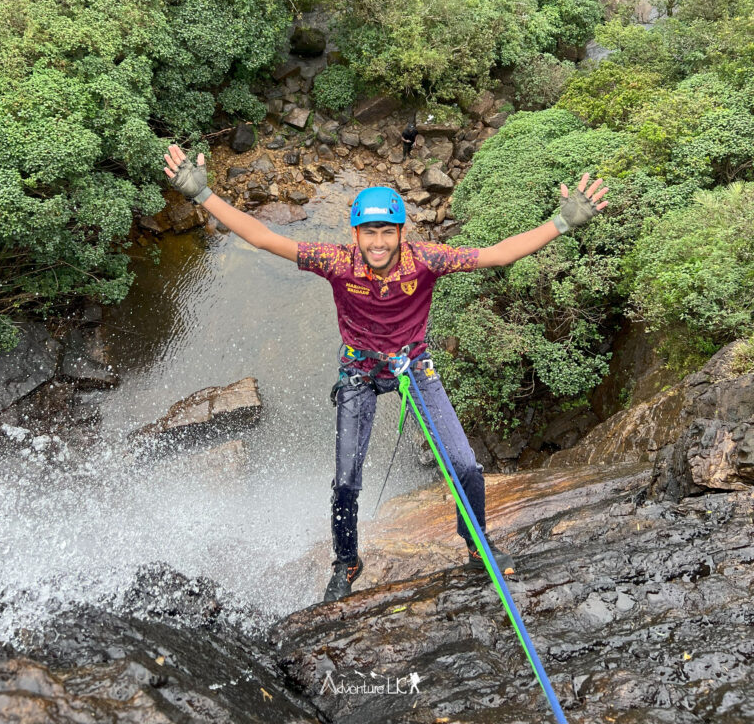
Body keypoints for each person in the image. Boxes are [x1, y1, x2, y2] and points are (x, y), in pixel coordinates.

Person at [163, 144, 608, 603]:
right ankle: (346, 559)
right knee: (346, 482)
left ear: (401, 232)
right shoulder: (336, 263)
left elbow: (497, 255)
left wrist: (561, 223)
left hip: (413, 364)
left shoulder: (425, 262)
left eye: (387, 233)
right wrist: (204, 197)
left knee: (466, 466)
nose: (378, 243)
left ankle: (475, 542)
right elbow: (263, 238)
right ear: (355, 234)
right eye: (368, 233)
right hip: (358, 368)